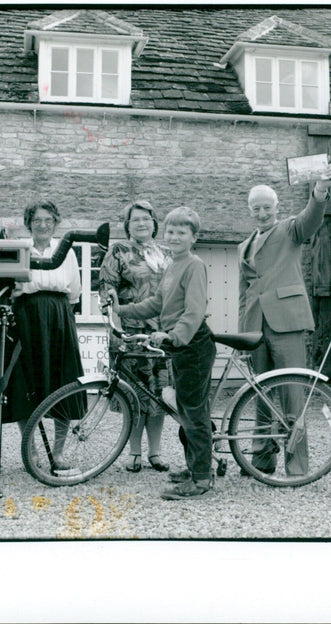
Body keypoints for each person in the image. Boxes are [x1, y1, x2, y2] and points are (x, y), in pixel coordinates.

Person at [238, 162, 331, 476]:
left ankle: (297, 466)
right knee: (259, 395)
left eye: (266, 207)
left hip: (287, 322)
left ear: (276, 207)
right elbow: (244, 294)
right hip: (255, 327)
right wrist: (241, 334)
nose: (261, 213)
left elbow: (311, 219)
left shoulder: (290, 229)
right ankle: (261, 460)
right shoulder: (243, 246)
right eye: (256, 208)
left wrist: (320, 190)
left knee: (292, 394)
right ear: (249, 210)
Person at [109, 206, 216, 500]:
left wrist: (173, 335)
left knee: (193, 414)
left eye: (182, 232)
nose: (175, 236)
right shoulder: (172, 264)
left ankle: (201, 479)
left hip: (191, 344)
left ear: (194, 237)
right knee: (186, 409)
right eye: (171, 231)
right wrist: (123, 309)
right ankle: (197, 466)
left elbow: (194, 312)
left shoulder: (194, 265)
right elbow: (158, 302)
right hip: (181, 346)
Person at [2, 200, 84, 465]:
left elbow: (74, 292)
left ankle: (58, 452)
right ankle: (33, 450)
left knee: (63, 381)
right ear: (29, 224)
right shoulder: (21, 249)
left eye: (48, 220)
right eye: (37, 220)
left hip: (59, 317)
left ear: (55, 222)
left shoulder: (66, 251)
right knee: (26, 381)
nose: (43, 225)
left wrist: (58, 316)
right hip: (27, 317)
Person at [99, 200, 172, 473]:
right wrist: (115, 326)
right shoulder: (118, 251)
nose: (141, 223)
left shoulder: (165, 253)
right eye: (135, 219)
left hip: (160, 332)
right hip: (130, 331)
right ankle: (134, 452)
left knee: (159, 394)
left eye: (146, 218)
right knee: (135, 394)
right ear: (127, 225)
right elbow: (107, 289)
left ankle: (156, 452)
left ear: (154, 223)